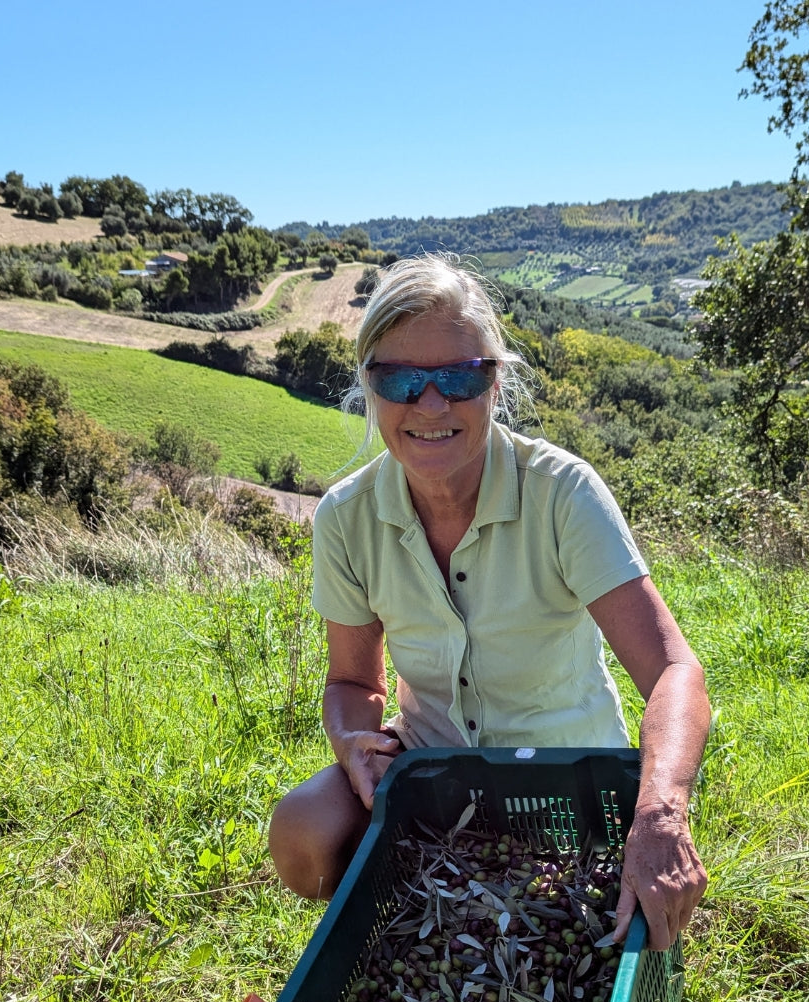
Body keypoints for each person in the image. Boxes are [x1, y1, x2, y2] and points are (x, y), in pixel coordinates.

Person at [268, 255, 709, 951]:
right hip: (432, 779)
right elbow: (353, 682)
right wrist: (352, 744)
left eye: (458, 376)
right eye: (401, 380)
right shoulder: (346, 518)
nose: (431, 404)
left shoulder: (561, 492)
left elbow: (673, 672)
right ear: (369, 387)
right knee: (302, 827)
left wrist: (659, 808)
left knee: (592, 943)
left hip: (571, 782)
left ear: (494, 383)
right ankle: (406, 922)